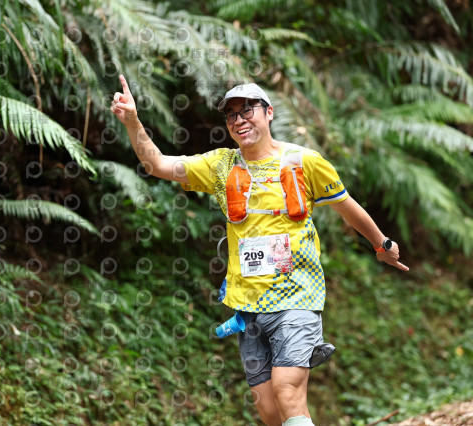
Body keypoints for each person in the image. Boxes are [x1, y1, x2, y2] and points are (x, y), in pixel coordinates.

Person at [110, 75, 409, 426]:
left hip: (298, 296)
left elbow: (347, 206)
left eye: (247, 110)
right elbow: (157, 165)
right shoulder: (220, 165)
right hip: (248, 305)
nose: (239, 120)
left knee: (287, 389)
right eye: (231, 115)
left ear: (269, 113)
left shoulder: (303, 161)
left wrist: (381, 244)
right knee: (268, 411)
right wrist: (133, 121)